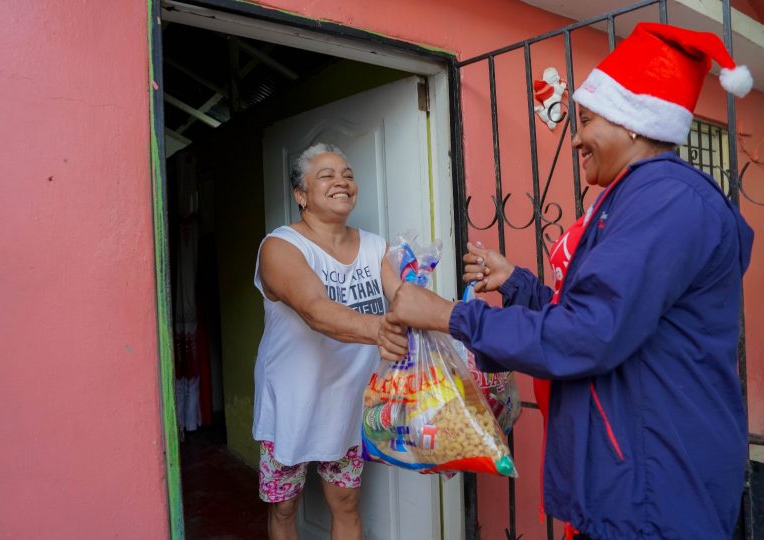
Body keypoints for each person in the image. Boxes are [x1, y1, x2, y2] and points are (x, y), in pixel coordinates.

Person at [379, 23, 754, 539]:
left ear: (632, 122)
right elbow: (598, 313)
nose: (575, 137)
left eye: (586, 119)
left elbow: (588, 332)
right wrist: (518, 285)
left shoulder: (664, 200)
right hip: (633, 472)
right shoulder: (635, 196)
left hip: (657, 483)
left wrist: (448, 315)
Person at [253, 143, 403, 540]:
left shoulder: (375, 246)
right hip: (290, 403)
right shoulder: (280, 246)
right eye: (327, 175)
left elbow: (405, 298)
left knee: (346, 502)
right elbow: (316, 310)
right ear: (300, 195)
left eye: (348, 174)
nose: (342, 181)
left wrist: (460, 322)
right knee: (284, 506)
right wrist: (382, 330)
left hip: (347, 404)